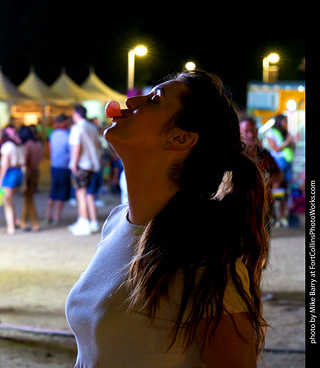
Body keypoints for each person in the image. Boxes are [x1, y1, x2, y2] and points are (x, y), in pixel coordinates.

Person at [66, 70, 269, 367]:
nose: (132, 100)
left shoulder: (207, 264)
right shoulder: (116, 221)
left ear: (180, 138)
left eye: (155, 99)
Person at [239, 115, 281, 231]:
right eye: (246, 131)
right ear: (239, 133)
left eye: (253, 130)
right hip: (242, 210)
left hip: (264, 208)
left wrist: (266, 180)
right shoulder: (235, 157)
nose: (251, 135)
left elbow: (278, 176)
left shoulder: (264, 154)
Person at [67, 104, 101, 236]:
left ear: (76, 114)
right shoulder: (92, 127)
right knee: (88, 194)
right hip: (93, 164)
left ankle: (83, 221)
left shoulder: (77, 128)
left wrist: (73, 164)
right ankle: (91, 222)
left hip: (82, 164)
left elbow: (76, 147)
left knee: (80, 194)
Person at [266, 114, 295, 227]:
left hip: (287, 161)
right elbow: (275, 148)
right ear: (279, 121)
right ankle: (273, 216)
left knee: (285, 190)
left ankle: (282, 217)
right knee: (276, 189)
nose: (285, 123)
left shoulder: (286, 132)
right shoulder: (271, 132)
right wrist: (287, 142)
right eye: (284, 121)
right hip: (277, 162)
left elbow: (292, 147)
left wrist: (292, 142)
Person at [44, 113, 71, 225]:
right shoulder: (68, 136)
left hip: (54, 166)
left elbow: (49, 151)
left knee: (53, 191)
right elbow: (71, 151)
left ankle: (47, 214)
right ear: (64, 122)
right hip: (64, 167)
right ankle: (56, 217)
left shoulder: (53, 135)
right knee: (62, 192)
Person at [18, 125, 44, 231]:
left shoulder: (27, 146)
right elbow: (40, 159)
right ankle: (24, 221)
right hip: (35, 172)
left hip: (27, 174)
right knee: (28, 198)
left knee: (29, 198)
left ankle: (34, 223)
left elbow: (24, 161)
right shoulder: (38, 144)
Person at [0, 126, 25, 234]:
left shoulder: (6, 146)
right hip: (18, 172)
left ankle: (11, 228)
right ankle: (16, 221)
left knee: (7, 202)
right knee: (9, 200)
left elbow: (5, 164)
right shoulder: (17, 145)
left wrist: (0, 178)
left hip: (9, 174)